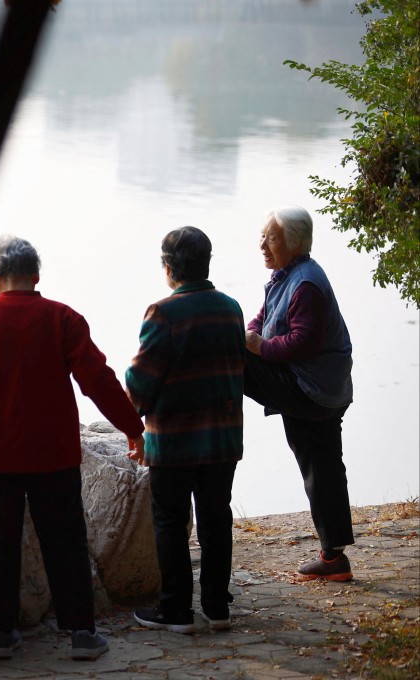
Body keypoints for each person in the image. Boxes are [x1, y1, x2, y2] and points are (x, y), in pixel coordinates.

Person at [0, 235, 145, 661]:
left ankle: (0, 634)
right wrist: (132, 427)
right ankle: (81, 633)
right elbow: (97, 379)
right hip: (52, 453)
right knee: (65, 541)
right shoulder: (63, 319)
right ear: (36, 276)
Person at [125, 227, 245, 634]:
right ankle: (217, 607)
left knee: (171, 524)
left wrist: (132, 421)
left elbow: (141, 381)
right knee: (216, 520)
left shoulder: (163, 313)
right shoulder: (231, 309)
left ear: (169, 267)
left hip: (174, 442)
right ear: (206, 263)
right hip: (222, 439)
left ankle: (176, 610)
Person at [243, 205, 355, 581]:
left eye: (271, 238)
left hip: (311, 389)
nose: (263, 244)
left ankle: (207, 433)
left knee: (230, 360)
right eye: (262, 236)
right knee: (322, 466)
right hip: (323, 388)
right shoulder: (286, 275)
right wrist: (251, 334)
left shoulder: (305, 283)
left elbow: (304, 342)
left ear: (294, 243)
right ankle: (333, 558)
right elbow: (263, 317)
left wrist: (258, 347)